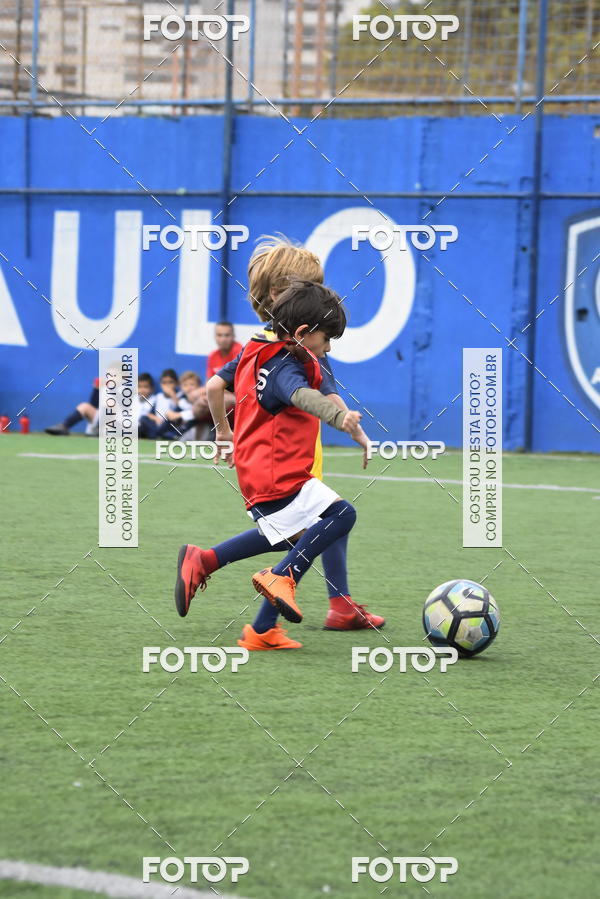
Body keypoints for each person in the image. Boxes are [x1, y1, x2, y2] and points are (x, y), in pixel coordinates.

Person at [175, 235, 383, 634]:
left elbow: (217, 388)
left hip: (274, 456)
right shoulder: (290, 353)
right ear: (278, 294)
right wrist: (343, 420)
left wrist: (224, 432)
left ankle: (271, 621)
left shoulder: (259, 345)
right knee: (316, 526)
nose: (320, 294)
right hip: (282, 457)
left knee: (311, 525)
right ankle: (271, 600)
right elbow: (309, 392)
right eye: (311, 288)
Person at [136, 373, 158, 439]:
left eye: (146, 387)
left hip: (146, 429)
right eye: (139, 387)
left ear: (152, 389)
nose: (142, 390)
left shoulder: (155, 399)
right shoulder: (133, 399)